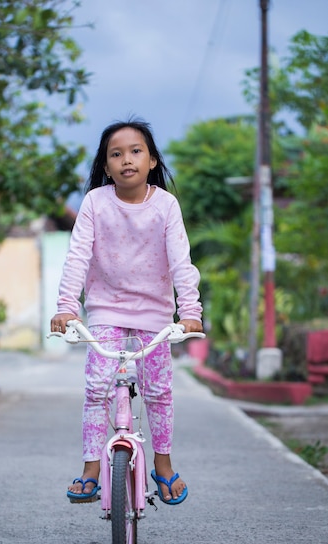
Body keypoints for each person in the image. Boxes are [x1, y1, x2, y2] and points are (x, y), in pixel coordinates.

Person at [50, 118, 203, 505]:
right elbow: (77, 258)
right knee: (96, 388)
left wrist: (190, 311)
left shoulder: (166, 205)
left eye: (136, 151)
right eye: (115, 154)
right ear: (105, 166)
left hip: (155, 316)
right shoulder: (95, 203)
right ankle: (90, 469)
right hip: (104, 312)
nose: (126, 160)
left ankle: (163, 467)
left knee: (159, 392)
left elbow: (181, 261)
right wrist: (67, 308)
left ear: (152, 160)